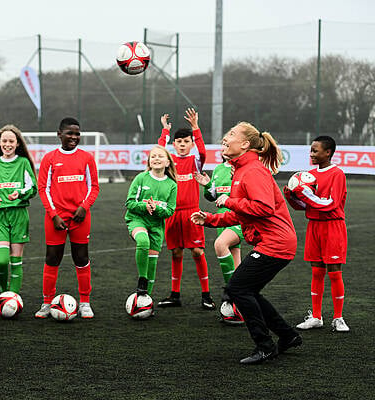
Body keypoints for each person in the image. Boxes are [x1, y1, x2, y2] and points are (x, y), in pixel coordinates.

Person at [191, 122, 302, 365]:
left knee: (238, 289)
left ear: (245, 144)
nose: (224, 138)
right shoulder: (241, 170)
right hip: (273, 242)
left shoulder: (251, 170)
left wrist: (229, 201)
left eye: (231, 134)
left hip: (276, 243)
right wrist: (209, 219)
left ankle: (265, 346)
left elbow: (263, 208)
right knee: (246, 289)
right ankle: (287, 335)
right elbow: (244, 214)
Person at [35, 117, 100, 319]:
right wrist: (53, 215)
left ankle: (85, 302)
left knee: (81, 258)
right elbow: (43, 189)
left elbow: (94, 187)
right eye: (70, 133)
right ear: (59, 134)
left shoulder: (87, 158)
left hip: (80, 217)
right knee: (52, 258)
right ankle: (47, 302)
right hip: (56, 218)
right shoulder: (49, 158)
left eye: (77, 133)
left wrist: (84, 207)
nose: (74, 137)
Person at [284, 136, 349, 332]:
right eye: (311, 150)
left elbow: (330, 204)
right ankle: (316, 316)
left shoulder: (337, 174)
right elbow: (302, 206)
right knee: (316, 271)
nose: (311, 154)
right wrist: (292, 197)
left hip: (332, 226)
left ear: (327, 152)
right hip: (314, 226)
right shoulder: (309, 175)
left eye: (315, 150)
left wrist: (305, 194)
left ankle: (338, 318)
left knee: (334, 272)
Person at [156, 108, 215, 310]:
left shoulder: (195, 161)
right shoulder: (168, 162)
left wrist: (195, 128)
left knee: (198, 252)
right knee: (176, 253)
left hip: (192, 213)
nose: (182, 145)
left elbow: (203, 151)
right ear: (174, 145)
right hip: (172, 213)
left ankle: (206, 295)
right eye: (179, 142)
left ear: (191, 143)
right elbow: (159, 151)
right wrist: (165, 130)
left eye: (186, 142)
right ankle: (175, 295)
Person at [0, 124, 37, 294]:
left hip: (19, 215)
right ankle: (3, 291)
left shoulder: (23, 163)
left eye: (11, 141)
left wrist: (20, 193)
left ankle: (12, 295)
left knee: (16, 261)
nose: (7, 144)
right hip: (0, 217)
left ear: (17, 143)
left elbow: (33, 188)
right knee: (2, 261)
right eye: (4, 141)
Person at [195, 158, 245, 324]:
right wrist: (208, 185)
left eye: (228, 143)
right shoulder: (218, 169)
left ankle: (230, 292)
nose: (224, 147)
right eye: (223, 144)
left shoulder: (243, 168)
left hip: (238, 217)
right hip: (222, 218)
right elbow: (211, 197)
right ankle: (241, 303)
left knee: (221, 245)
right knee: (235, 256)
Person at [124, 146, 178, 297]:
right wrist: (144, 206)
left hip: (156, 225)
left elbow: (170, 211)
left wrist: (156, 209)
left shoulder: (172, 185)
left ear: (167, 162)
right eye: (153, 156)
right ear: (149, 161)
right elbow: (129, 203)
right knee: (143, 241)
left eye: (160, 156)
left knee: (152, 263)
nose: (156, 158)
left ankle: (146, 300)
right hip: (137, 219)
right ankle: (142, 279)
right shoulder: (141, 178)